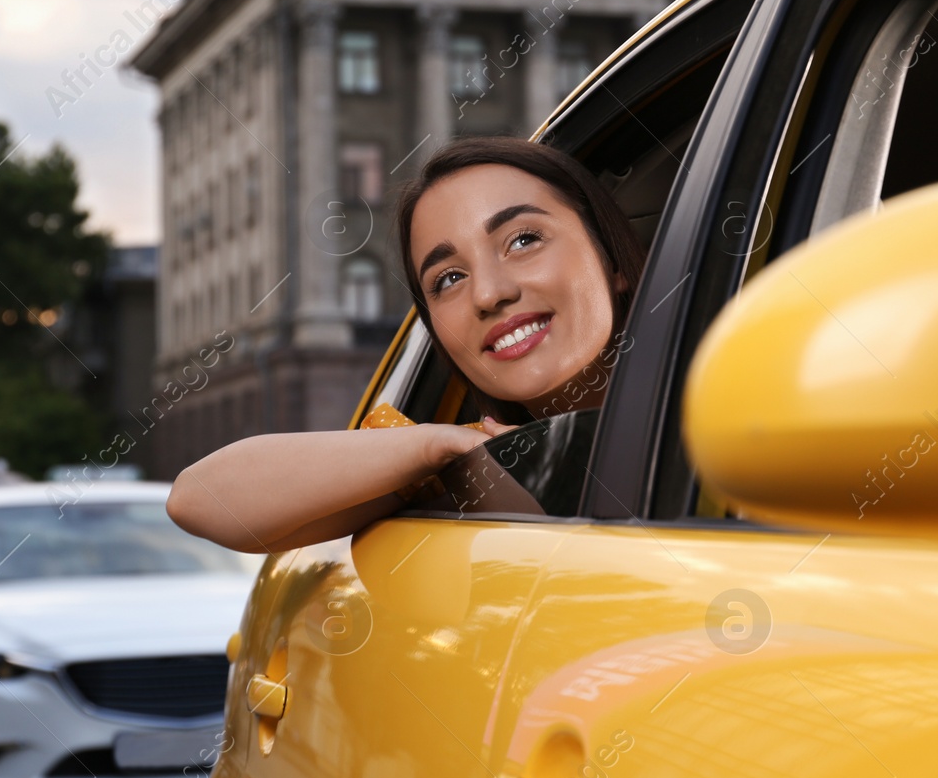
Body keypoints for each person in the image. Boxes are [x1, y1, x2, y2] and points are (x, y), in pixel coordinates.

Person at [166, 136, 647, 554]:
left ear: (611, 257)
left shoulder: (716, 398)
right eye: (449, 278)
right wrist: (442, 444)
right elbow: (199, 498)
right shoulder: (466, 466)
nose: (488, 293)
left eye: (522, 240)